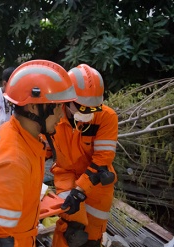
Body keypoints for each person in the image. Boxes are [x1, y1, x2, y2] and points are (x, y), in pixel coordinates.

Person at [0, 60, 77, 247]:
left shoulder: (22, 136)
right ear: (33, 106)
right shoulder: (13, 159)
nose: (61, 114)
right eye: (57, 106)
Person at [51, 64, 118, 247]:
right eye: (83, 108)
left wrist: (79, 192)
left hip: (96, 183)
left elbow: (102, 160)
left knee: (92, 238)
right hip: (66, 176)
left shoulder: (106, 117)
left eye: (93, 108)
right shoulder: (53, 116)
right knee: (70, 229)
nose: (89, 112)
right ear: (67, 100)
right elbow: (43, 148)